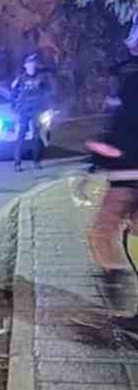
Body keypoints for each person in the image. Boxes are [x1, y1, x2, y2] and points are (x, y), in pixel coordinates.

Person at [86, 21, 138, 311]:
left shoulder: (130, 81)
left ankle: (114, 277)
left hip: (127, 174)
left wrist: (96, 154)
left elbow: (121, 129)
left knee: (101, 234)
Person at [11, 52, 53, 171]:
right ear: (25, 66)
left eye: (33, 64)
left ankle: (36, 162)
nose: (32, 66)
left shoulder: (41, 78)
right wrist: (14, 108)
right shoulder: (20, 79)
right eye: (30, 64)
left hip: (37, 110)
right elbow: (13, 94)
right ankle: (17, 164)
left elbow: (48, 92)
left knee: (36, 136)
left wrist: (46, 106)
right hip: (24, 110)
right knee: (20, 136)